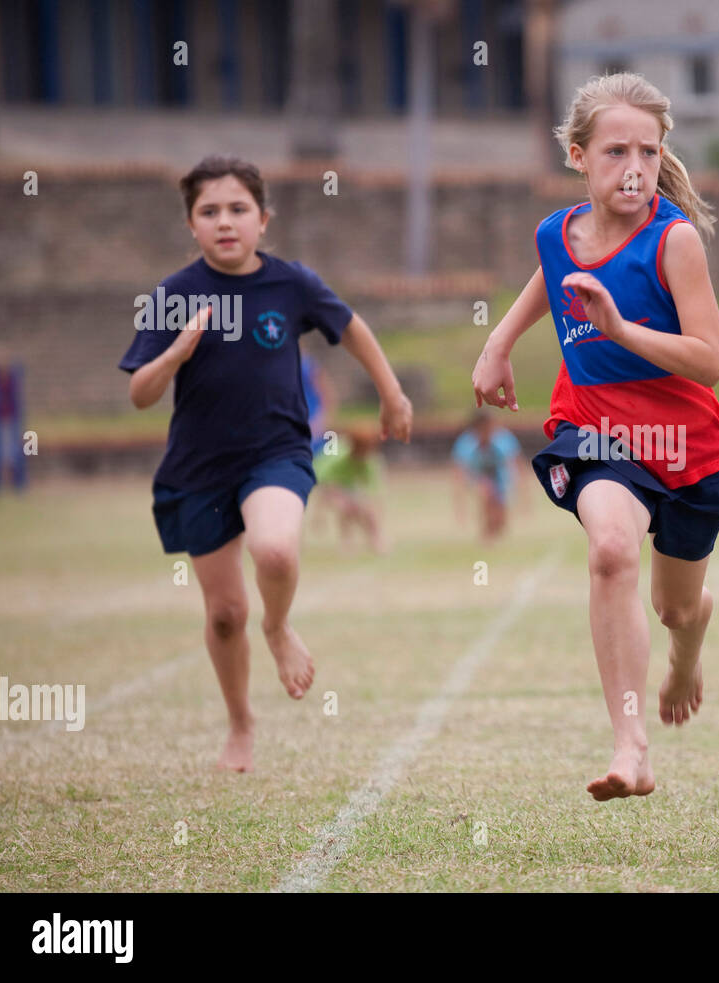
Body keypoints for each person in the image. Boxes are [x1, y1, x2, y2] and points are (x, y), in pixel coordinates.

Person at [471, 73, 719, 802]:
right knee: (612, 548)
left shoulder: (674, 242)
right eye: (616, 151)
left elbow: (711, 361)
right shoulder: (556, 232)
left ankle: (691, 639)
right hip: (594, 430)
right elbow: (550, 273)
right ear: (577, 155)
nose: (635, 168)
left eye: (648, 152)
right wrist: (498, 342)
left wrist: (621, 329)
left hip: (687, 450)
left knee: (676, 606)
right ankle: (631, 746)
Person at [119, 155, 414, 772]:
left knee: (275, 551)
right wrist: (175, 351)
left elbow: (352, 328)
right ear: (191, 225)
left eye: (238, 209)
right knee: (225, 615)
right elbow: (140, 393)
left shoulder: (293, 284)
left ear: (263, 219)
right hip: (198, 469)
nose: (225, 222)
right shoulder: (173, 295)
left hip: (276, 454)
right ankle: (241, 722)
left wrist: (391, 393)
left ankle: (278, 627)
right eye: (209, 212)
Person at [451, 409, 526, 541]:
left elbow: (517, 466)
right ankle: (486, 531)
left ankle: (496, 528)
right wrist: (460, 508)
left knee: (500, 520)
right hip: (477, 476)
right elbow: (460, 475)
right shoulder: (466, 444)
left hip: (500, 476)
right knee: (487, 495)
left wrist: (522, 496)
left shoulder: (503, 440)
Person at [314, 426, 388, 552]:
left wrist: (371, 509)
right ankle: (347, 542)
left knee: (365, 510)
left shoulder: (369, 460)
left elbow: (373, 491)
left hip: (348, 485)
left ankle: (376, 539)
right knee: (345, 508)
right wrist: (319, 514)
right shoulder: (337, 455)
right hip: (330, 483)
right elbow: (323, 481)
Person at [0, 347, 26, 491]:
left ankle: (19, 485)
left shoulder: (13, 377)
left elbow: (21, 370)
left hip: (12, 418)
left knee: (18, 450)